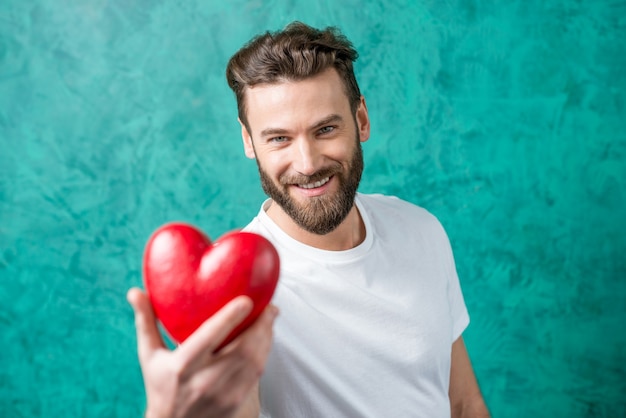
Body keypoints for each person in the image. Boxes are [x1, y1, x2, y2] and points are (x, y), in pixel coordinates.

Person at [127, 21, 490, 418]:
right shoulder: (232, 293)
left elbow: (463, 404)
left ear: (361, 120)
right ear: (249, 142)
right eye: (279, 138)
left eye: (326, 129)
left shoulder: (422, 231)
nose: (308, 163)